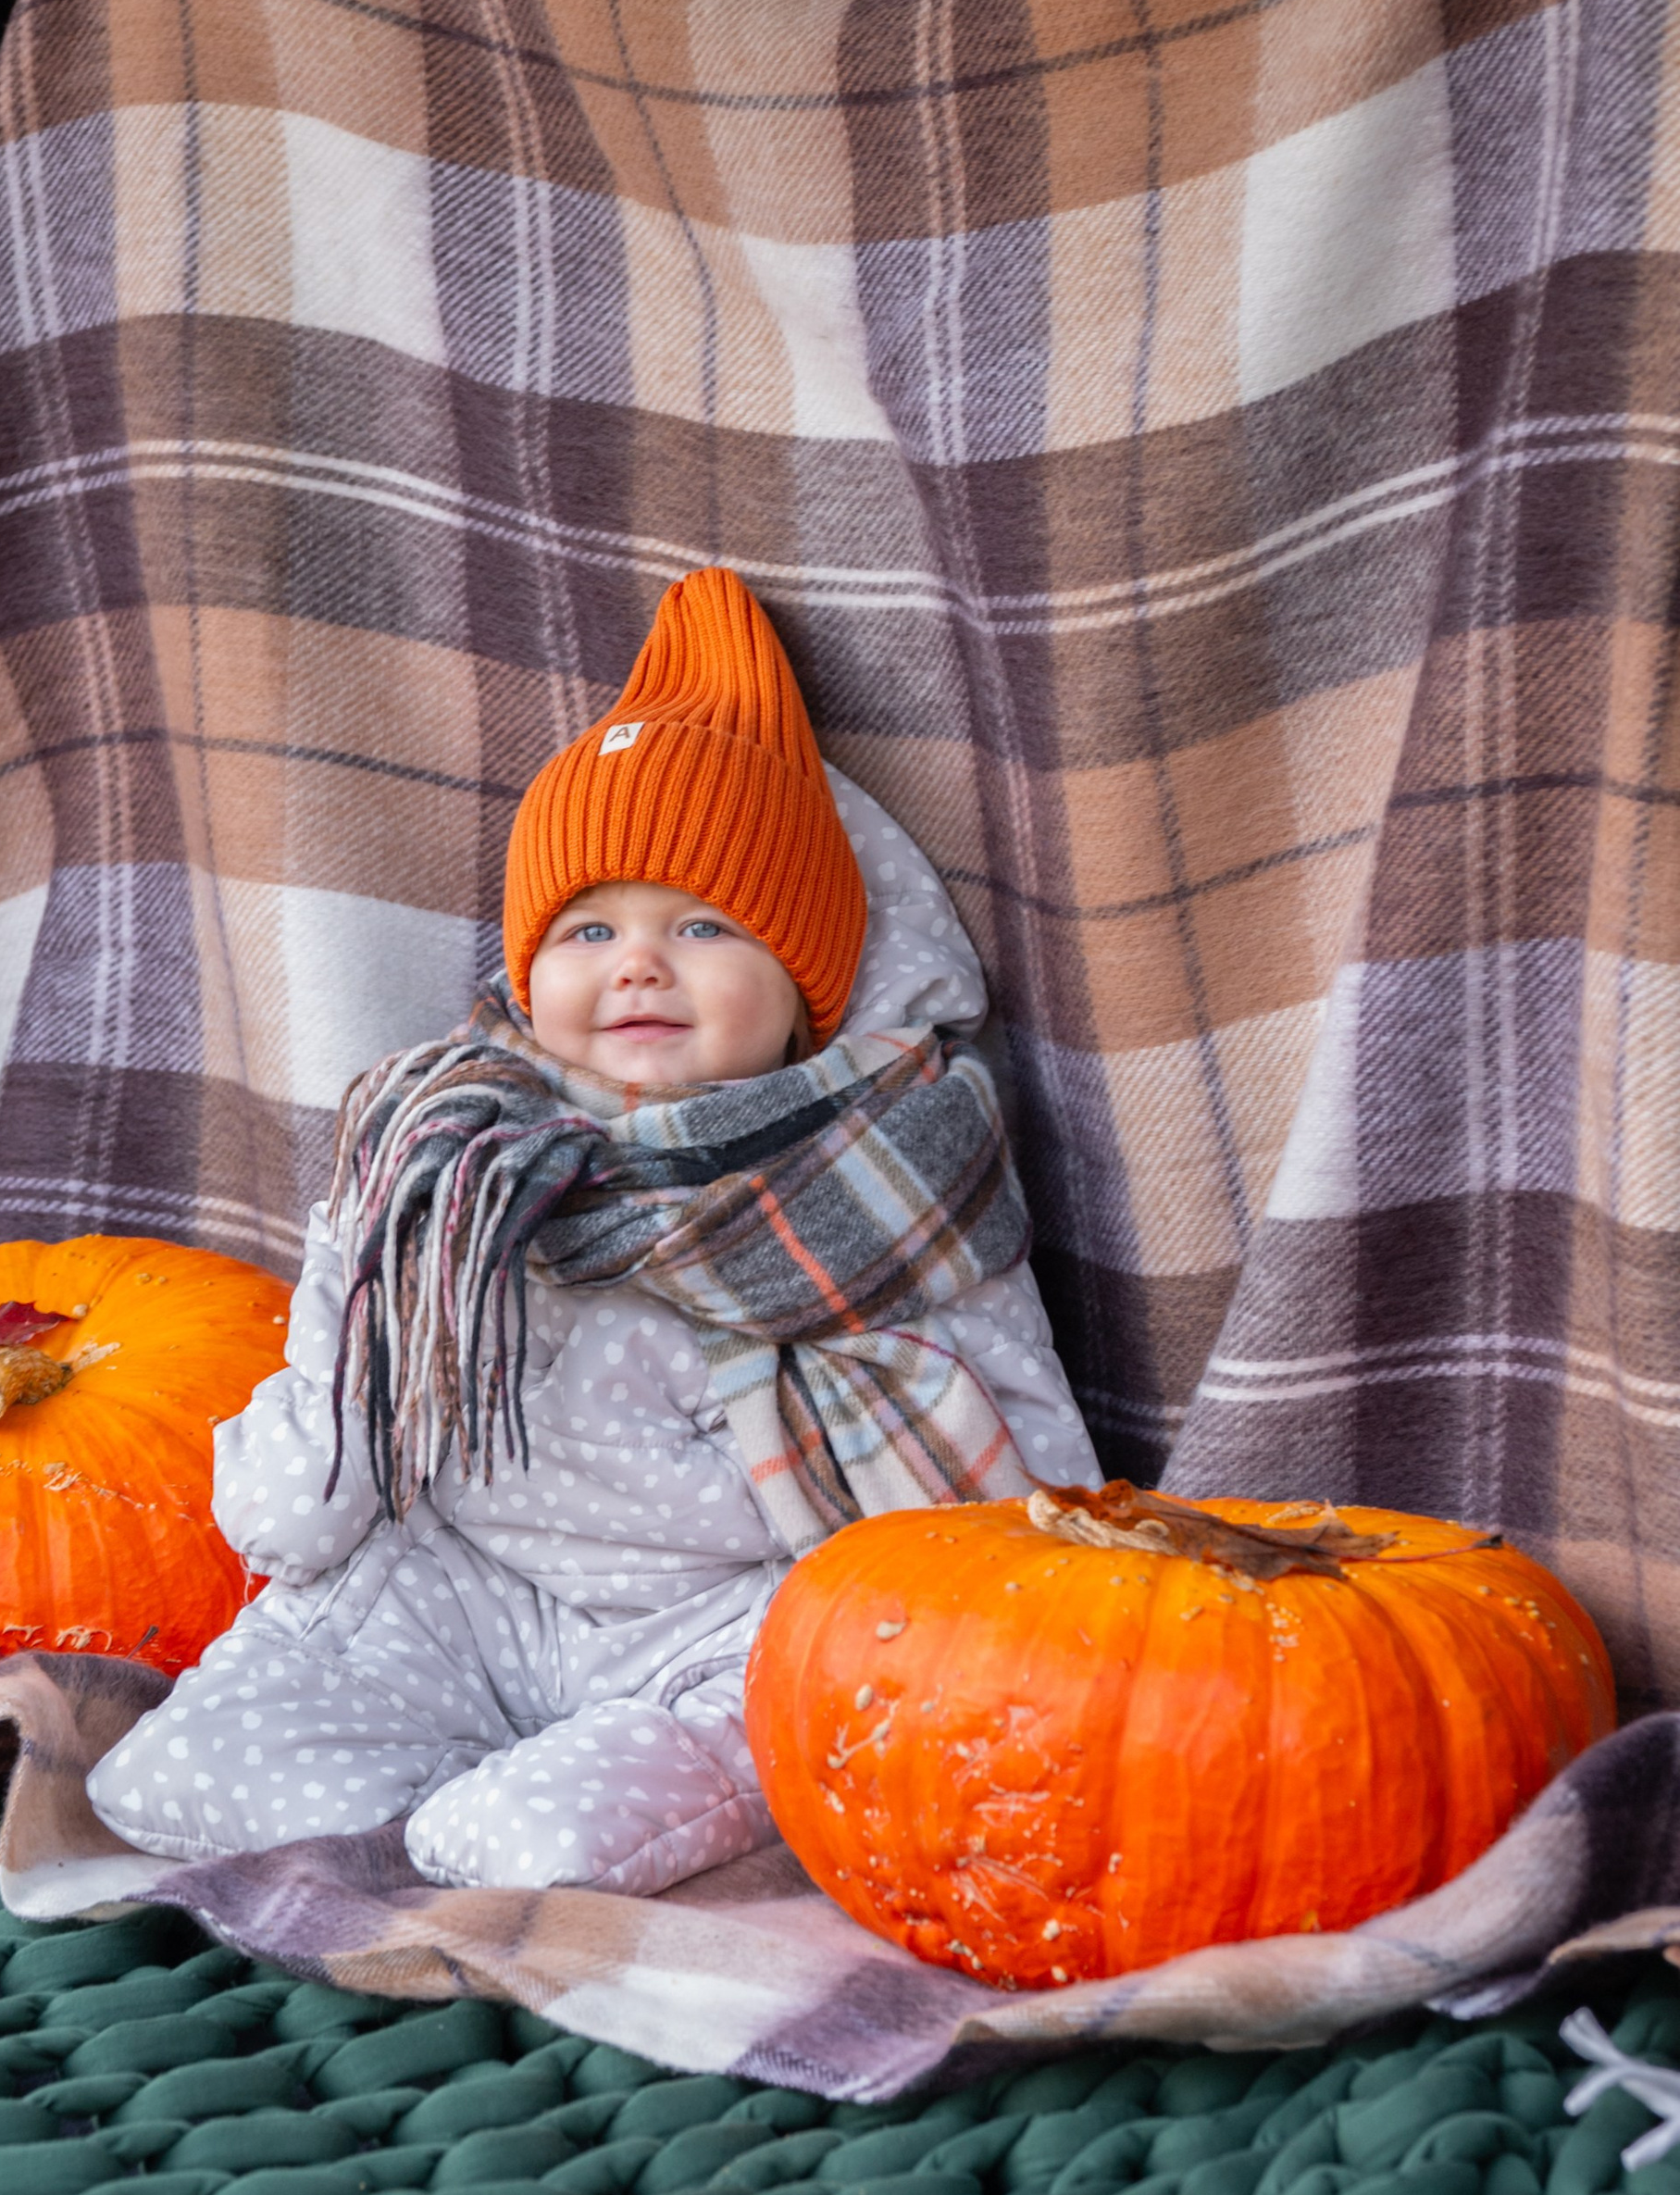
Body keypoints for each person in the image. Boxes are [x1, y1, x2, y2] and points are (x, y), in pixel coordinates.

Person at [85, 569, 1097, 1898]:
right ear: (526, 968)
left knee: (588, 1811)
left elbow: (1013, 1450)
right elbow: (350, 1349)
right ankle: (425, 1772)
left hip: (728, 1616)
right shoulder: (443, 1153)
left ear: (806, 990)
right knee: (174, 1775)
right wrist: (309, 1474)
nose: (637, 963)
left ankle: (581, 1792)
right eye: (590, 927)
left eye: (705, 926)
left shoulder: (890, 1181)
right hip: (473, 1584)